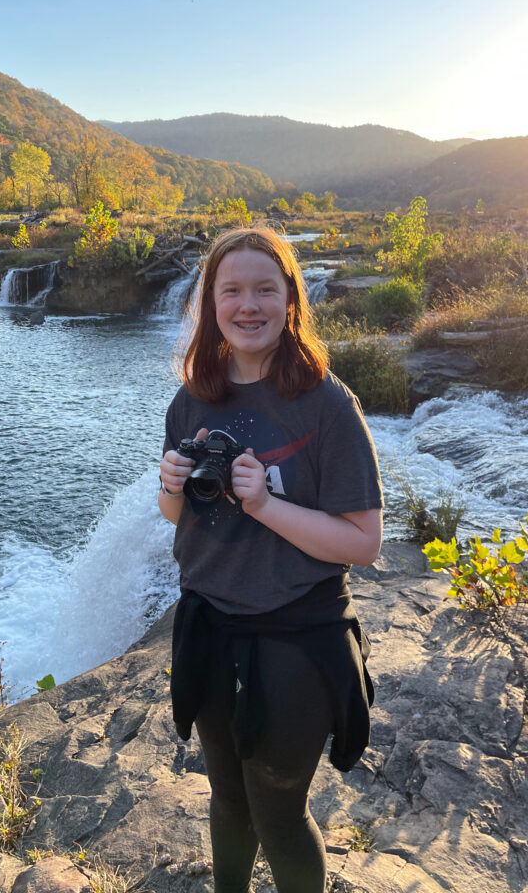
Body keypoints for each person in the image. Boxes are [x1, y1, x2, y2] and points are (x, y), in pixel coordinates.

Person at [158, 226, 383, 893]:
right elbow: (179, 518)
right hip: (209, 626)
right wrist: (170, 486)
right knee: (227, 799)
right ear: (211, 303)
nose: (247, 305)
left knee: (278, 813)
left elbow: (364, 543)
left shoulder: (325, 403)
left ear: (291, 300)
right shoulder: (193, 396)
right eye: (232, 290)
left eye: (265, 289)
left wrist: (264, 505)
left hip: (296, 634)